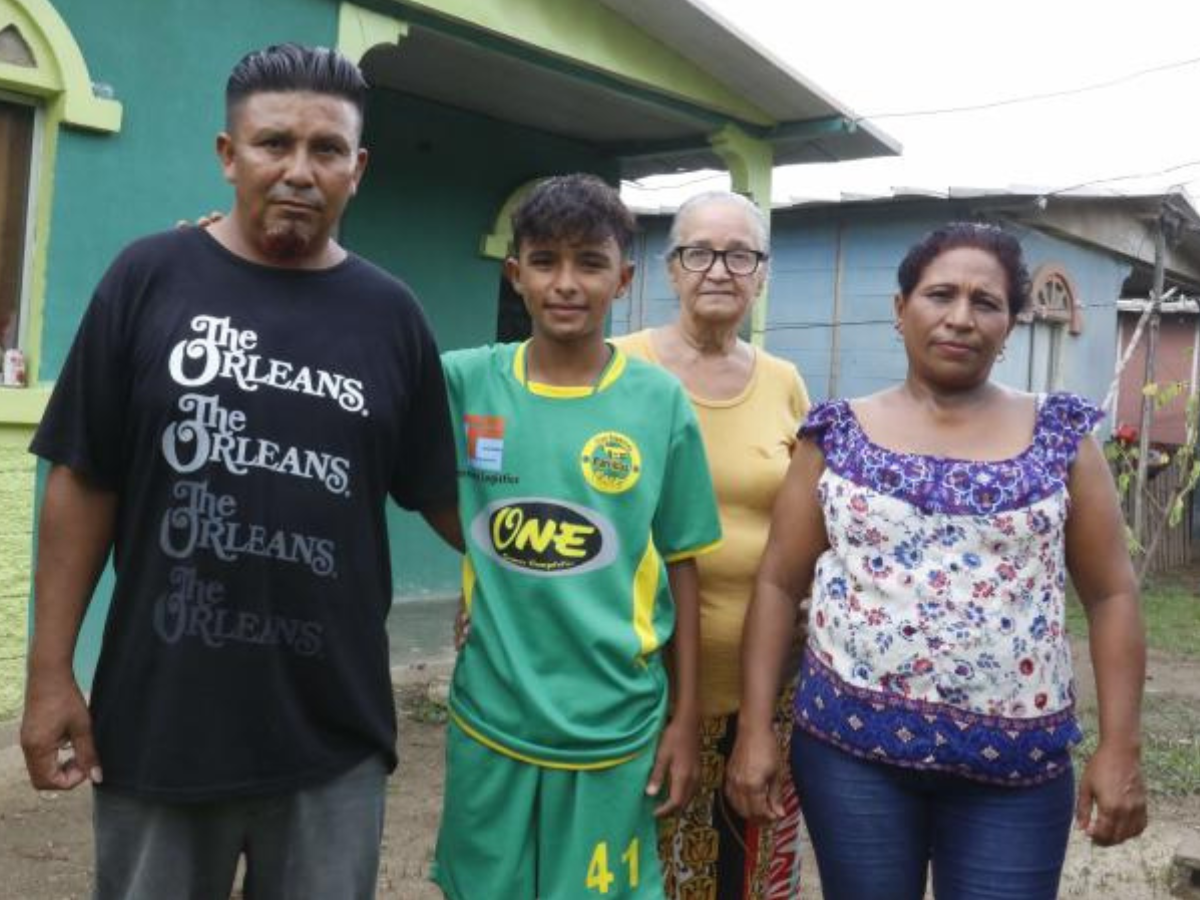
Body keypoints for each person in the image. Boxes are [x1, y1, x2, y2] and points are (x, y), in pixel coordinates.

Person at [20, 44, 459, 900]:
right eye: (273, 143)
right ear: (229, 155)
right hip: (160, 721)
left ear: (357, 168)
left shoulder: (391, 315)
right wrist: (49, 675)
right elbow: (83, 482)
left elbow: (448, 499)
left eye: (326, 149)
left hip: (333, 734)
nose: (299, 170)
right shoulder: (148, 279)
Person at [725, 222, 1148, 900]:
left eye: (986, 302)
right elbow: (778, 582)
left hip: (1015, 773)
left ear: (1011, 323)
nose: (960, 317)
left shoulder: (1061, 437)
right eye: (940, 294)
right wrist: (754, 731)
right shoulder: (837, 434)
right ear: (901, 310)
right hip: (851, 758)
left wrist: (1121, 746)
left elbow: (1112, 596)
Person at [433, 173, 722, 899]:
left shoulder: (657, 402)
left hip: (615, 725)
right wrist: (487, 554)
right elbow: (371, 406)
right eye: (545, 261)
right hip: (490, 717)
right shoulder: (465, 382)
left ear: (622, 279)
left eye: (590, 263)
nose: (566, 283)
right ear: (515, 274)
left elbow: (685, 565)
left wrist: (685, 720)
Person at [612, 191, 809, 899]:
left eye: (740, 255)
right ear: (671, 270)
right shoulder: (617, 367)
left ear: (762, 273)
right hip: (638, 693)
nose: (719, 270)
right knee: (638, 875)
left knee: (746, 880)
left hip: (762, 691)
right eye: (699, 252)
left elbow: (806, 525)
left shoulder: (785, 383)